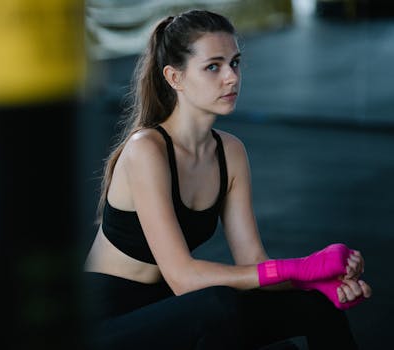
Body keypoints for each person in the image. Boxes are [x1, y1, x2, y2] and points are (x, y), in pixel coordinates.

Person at [82, 9, 372, 350]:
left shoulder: (230, 152)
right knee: (217, 306)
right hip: (105, 323)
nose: (231, 77)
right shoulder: (146, 149)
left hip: (170, 307)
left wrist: (320, 281)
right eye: (213, 67)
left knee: (318, 307)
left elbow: (254, 265)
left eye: (235, 63)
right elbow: (184, 277)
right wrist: (299, 268)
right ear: (174, 78)